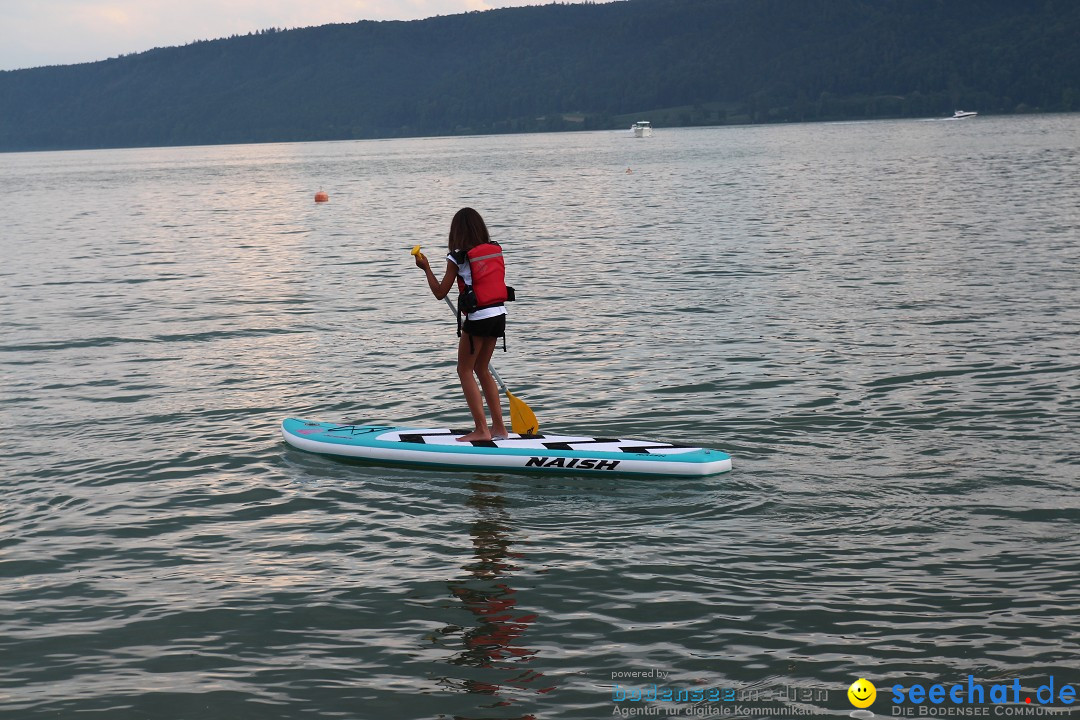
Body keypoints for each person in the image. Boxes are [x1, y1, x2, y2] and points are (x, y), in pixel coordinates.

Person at [415, 208, 509, 442]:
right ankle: (499, 428)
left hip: (478, 318)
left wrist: (426, 268)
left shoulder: (458, 257)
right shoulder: (493, 250)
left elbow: (440, 292)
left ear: (457, 232)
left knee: (464, 369)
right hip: (499, 314)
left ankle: (481, 430)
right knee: (482, 368)